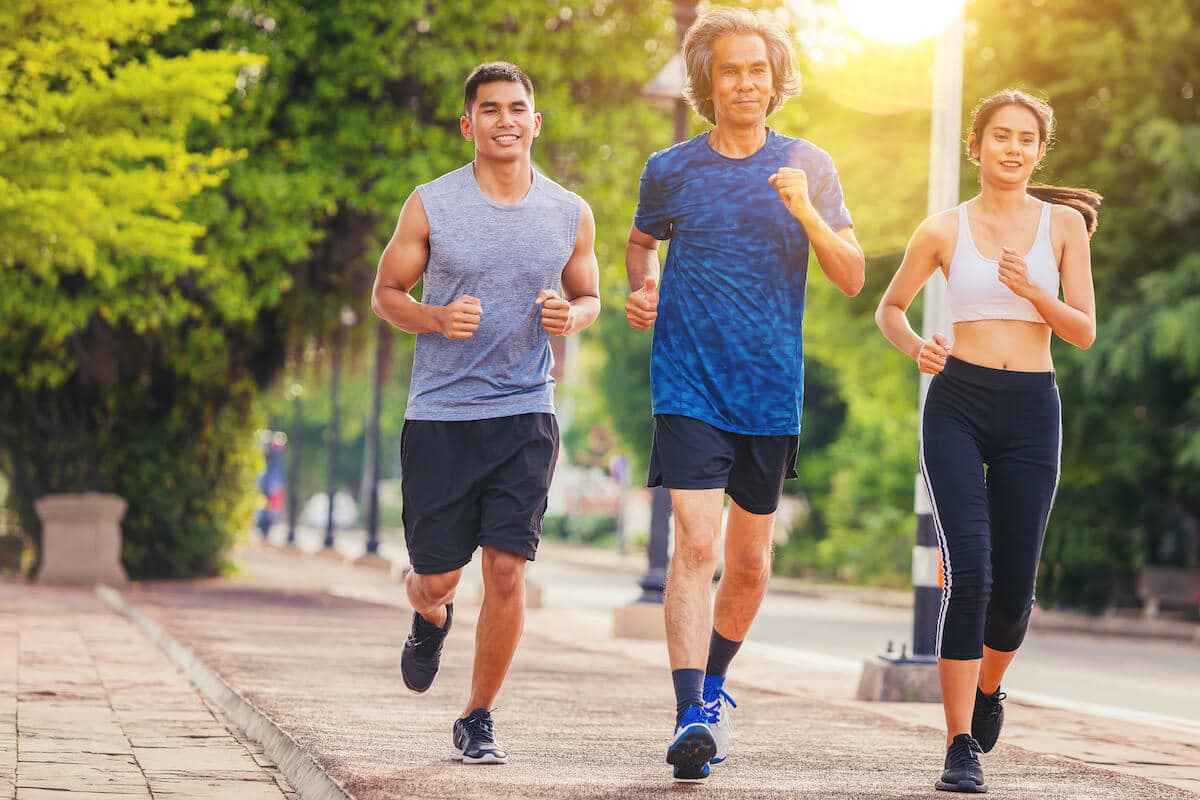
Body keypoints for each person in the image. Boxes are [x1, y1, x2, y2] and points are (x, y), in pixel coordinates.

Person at [624, 8, 865, 781]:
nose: (745, 83)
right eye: (729, 69)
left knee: (750, 564)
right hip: (688, 381)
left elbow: (853, 275)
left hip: (768, 390)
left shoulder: (810, 165)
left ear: (775, 78)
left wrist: (804, 211)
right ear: (707, 81)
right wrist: (646, 282)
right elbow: (639, 243)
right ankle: (689, 709)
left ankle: (717, 685)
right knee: (694, 544)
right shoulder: (671, 169)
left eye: (757, 69)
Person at [371, 61, 600, 765]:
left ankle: (478, 716)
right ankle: (427, 613)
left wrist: (573, 316)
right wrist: (435, 318)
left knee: (506, 571)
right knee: (438, 577)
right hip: (441, 415)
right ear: (469, 125)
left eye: (517, 108)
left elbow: (588, 296)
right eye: (490, 109)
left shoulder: (569, 211)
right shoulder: (431, 203)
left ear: (536, 122)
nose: (505, 120)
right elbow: (386, 292)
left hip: (524, 411)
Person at [875, 89, 1100, 793]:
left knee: (1013, 593)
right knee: (967, 572)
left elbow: (1083, 331)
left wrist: (1036, 292)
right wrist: (917, 346)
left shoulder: (1063, 227)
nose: (1012, 147)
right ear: (976, 147)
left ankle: (989, 690)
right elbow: (890, 307)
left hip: (1033, 409)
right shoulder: (942, 229)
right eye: (999, 135)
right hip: (958, 404)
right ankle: (958, 744)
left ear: (1040, 151)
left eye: (1025, 138)